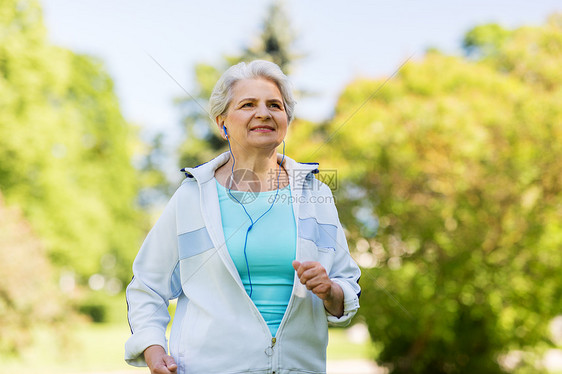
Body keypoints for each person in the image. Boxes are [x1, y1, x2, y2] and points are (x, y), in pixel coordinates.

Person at [125, 60, 361, 374]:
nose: (263, 112)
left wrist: (329, 290)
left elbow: (347, 286)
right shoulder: (192, 197)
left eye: (274, 105)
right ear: (223, 123)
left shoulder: (316, 195)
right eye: (248, 104)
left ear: (286, 120)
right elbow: (147, 286)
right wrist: (153, 349)